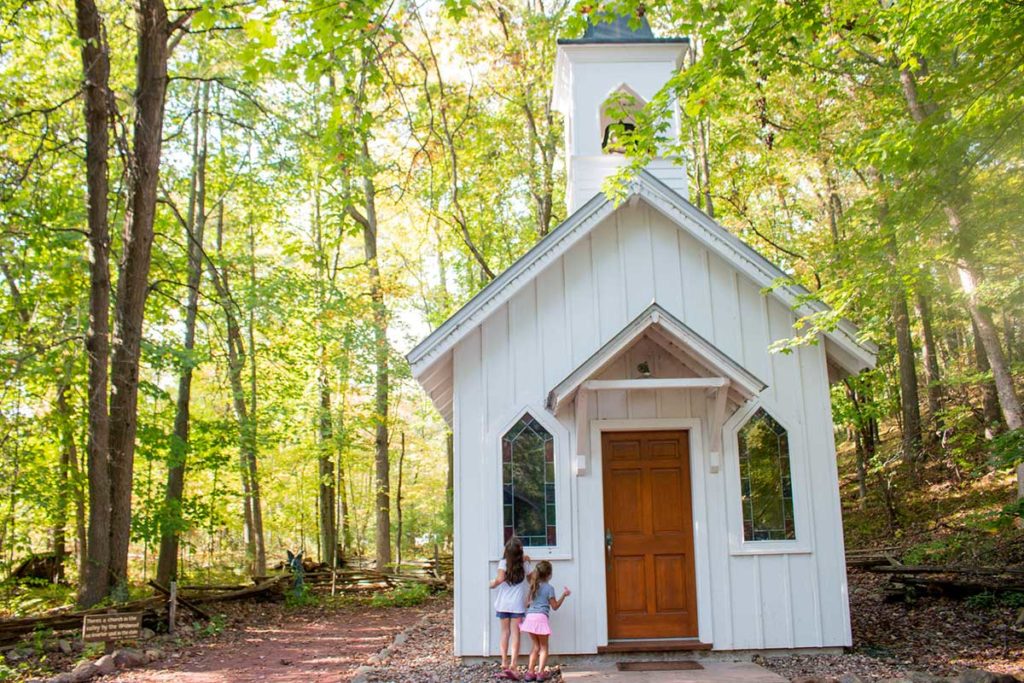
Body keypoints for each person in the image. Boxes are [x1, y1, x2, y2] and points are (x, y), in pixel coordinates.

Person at [519, 560, 570, 681]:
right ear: (549, 575)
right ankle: (540, 673)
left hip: (530, 618)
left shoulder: (533, 586)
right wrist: (564, 595)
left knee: (535, 646)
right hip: (541, 618)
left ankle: (530, 673)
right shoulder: (549, 588)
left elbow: (527, 604)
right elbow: (555, 606)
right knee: (544, 647)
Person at [490, 537, 532, 680]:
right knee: (516, 634)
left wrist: (492, 584)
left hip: (503, 604)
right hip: (517, 605)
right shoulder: (524, 564)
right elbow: (532, 580)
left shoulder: (503, 563)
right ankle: (514, 665)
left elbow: (499, 579)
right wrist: (531, 596)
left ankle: (504, 663)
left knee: (504, 632)